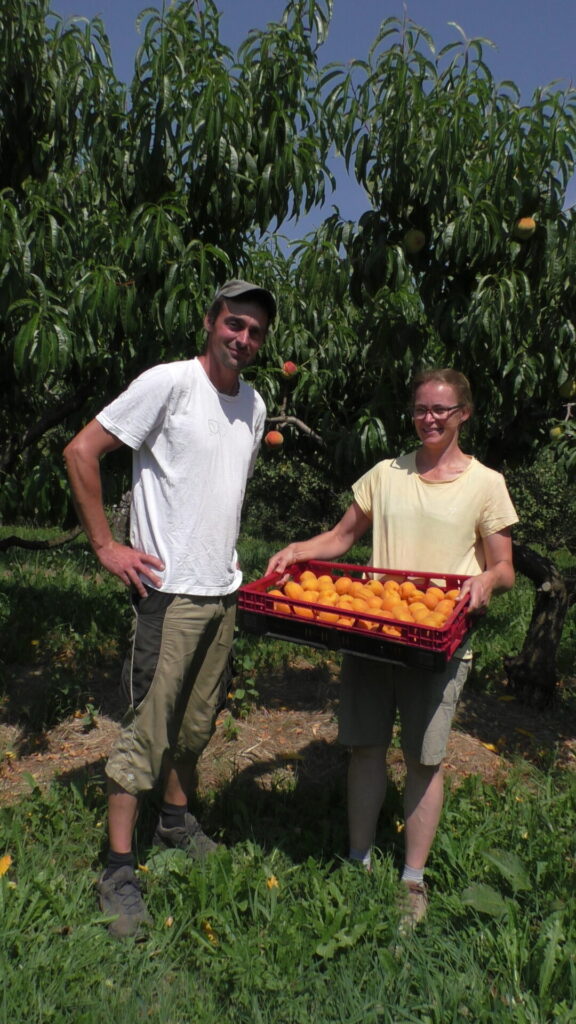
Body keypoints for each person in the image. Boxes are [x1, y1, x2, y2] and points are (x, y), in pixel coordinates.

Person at [266, 369, 517, 930]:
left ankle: (412, 879)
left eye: (441, 410)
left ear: (463, 414)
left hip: (437, 640)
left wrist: (486, 581)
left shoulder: (486, 483)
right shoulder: (386, 473)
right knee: (365, 748)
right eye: (421, 408)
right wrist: (298, 550)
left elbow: (504, 567)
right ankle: (358, 859)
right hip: (374, 633)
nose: (429, 419)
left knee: (424, 760)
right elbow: (342, 537)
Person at [64, 278, 276, 937]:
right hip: (169, 592)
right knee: (147, 733)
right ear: (210, 322)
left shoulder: (254, 405)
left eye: (255, 331)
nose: (243, 338)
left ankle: (176, 825)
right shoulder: (170, 383)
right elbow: (81, 450)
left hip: (222, 591)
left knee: (196, 726)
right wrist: (106, 545)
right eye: (234, 323)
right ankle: (117, 870)